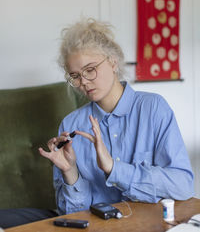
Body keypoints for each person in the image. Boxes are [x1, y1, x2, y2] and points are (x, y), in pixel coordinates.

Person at [38, 17, 194, 216]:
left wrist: (114, 168)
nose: (84, 82)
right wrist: (70, 173)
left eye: (90, 70)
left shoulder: (153, 108)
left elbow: (183, 186)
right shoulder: (71, 125)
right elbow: (71, 214)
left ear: (113, 62)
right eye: (75, 76)